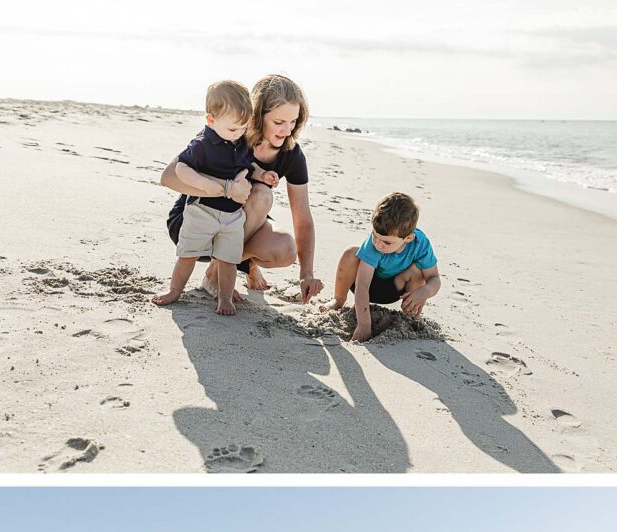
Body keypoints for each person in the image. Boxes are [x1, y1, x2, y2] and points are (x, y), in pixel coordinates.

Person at [160, 74, 324, 304]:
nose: (287, 131)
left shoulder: (292, 155)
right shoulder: (231, 132)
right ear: (257, 116)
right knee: (262, 194)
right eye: (278, 122)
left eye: (293, 121)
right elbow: (168, 177)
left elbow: (303, 219)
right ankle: (217, 274)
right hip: (195, 223)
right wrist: (226, 189)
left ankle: (233, 266)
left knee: (286, 248)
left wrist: (307, 274)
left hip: (237, 226)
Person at [152, 80, 278, 315]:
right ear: (211, 120)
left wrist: (262, 174)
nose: (239, 133)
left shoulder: (239, 139)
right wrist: (206, 185)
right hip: (202, 211)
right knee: (188, 255)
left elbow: (247, 164)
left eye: (243, 128)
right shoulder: (202, 144)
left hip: (232, 216)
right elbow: (181, 169)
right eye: (233, 129)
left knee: (228, 260)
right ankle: (174, 290)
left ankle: (224, 297)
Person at [324, 192, 441, 342]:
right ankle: (338, 300)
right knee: (351, 253)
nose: (378, 244)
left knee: (417, 271)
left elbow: (434, 278)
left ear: (408, 238)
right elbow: (362, 286)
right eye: (375, 236)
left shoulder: (420, 243)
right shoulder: (373, 245)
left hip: (394, 289)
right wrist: (364, 325)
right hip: (365, 285)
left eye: (387, 242)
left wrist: (425, 292)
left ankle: (410, 315)